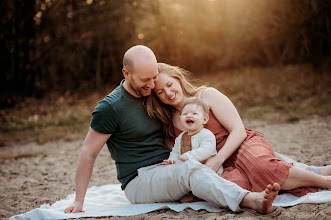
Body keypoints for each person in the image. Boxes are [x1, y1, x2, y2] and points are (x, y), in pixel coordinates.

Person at [64, 45, 280, 215]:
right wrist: (78, 201)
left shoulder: (154, 97)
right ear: (126, 73)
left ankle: (306, 174)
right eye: (145, 80)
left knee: (250, 163)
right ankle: (250, 200)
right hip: (140, 179)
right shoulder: (110, 108)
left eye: (153, 76)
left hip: (172, 166)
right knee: (191, 169)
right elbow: (88, 153)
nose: (151, 84)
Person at [146, 62, 331, 197]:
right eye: (160, 92)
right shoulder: (169, 123)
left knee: (261, 166)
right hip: (218, 165)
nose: (168, 93)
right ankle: (310, 172)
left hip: (240, 145)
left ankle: (323, 181)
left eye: (169, 85)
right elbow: (179, 153)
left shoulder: (206, 95)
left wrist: (218, 159)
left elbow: (238, 130)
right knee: (235, 186)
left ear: (178, 79)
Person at [162, 97, 224, 176]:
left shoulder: (206, 134)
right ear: (180, 118)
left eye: (194, 113)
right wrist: (172, 160)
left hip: (210, 171)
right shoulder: (180, 137)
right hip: (190, 173)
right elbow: (175, 152)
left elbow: (206, 150)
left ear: (204, 119)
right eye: (185, 114)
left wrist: (189, 156)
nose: (189, 116)